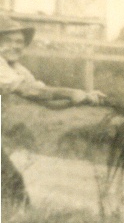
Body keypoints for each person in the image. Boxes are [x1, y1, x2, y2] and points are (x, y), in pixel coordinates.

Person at [0, 15, 105, 206]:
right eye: (11, 41)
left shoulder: (15, 67)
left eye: (21, 43)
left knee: (11, 185)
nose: (18, 47)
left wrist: (84, 98)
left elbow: (47, 101)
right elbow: (31, 92)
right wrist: (72, 93)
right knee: (12, 185)